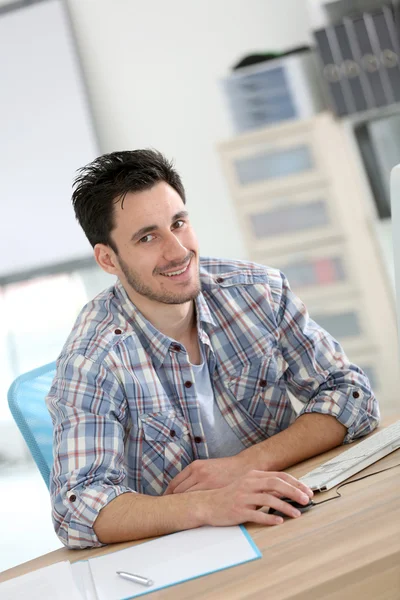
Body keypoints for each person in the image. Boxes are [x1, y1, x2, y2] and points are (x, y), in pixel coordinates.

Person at [46, 149, 379, 549]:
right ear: (107, 259)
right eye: (148, 237)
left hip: (292, 519)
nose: (177, 251)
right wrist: (210, 504)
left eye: (179, 223)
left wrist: (246, 465)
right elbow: (78, 507)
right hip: (192, 555)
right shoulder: (91, 361)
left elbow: (351, 395)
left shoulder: (258, 292)